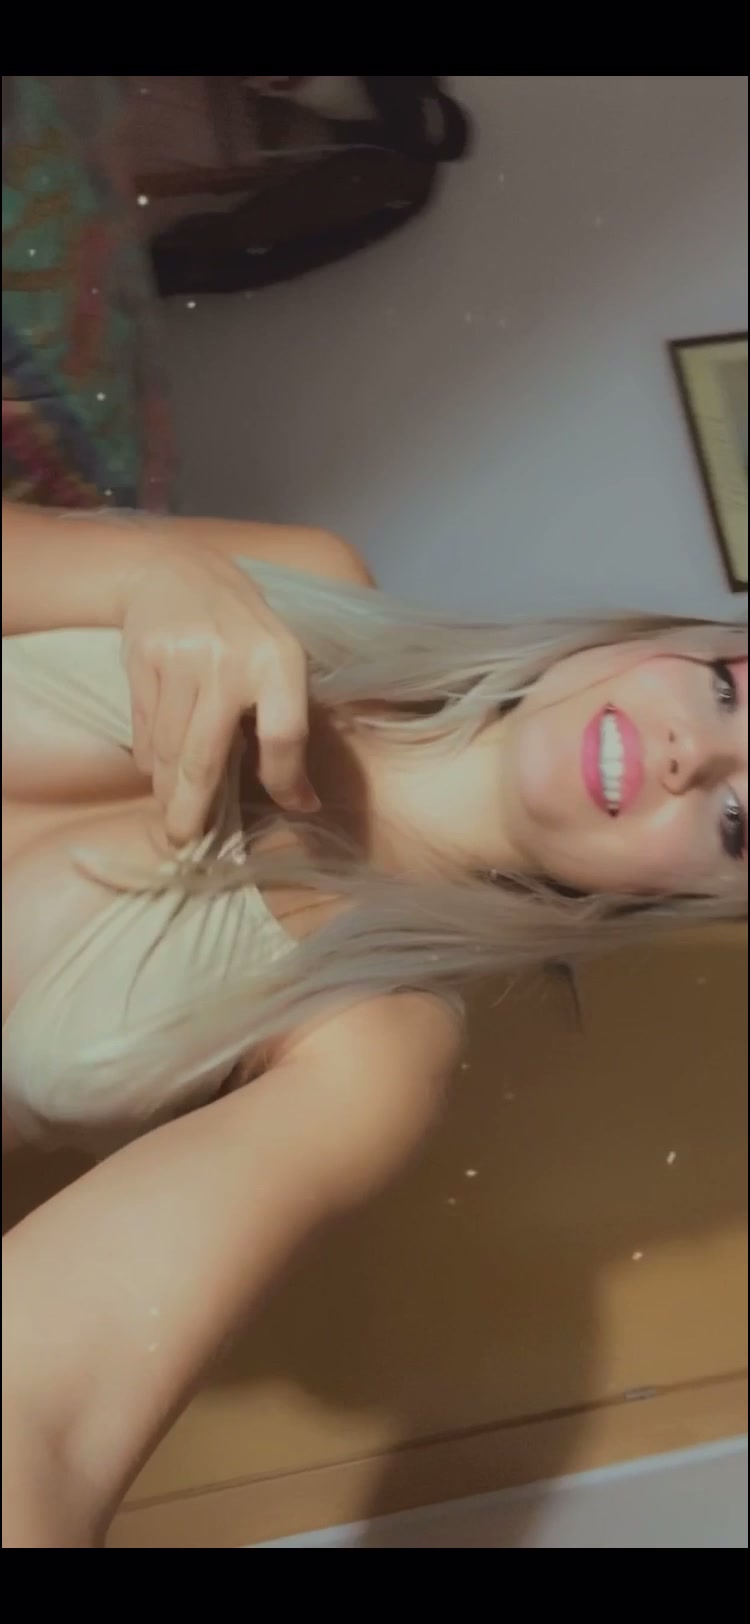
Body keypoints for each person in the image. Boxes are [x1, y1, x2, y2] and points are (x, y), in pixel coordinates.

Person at [2, 501, 746, 1547]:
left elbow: (46, 1412)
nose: (691, 753)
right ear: (665, 638)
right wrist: (143, 573)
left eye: (737, 821)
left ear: (690, 900)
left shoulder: (373, 1054)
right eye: (725, 689)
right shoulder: (309, 574)